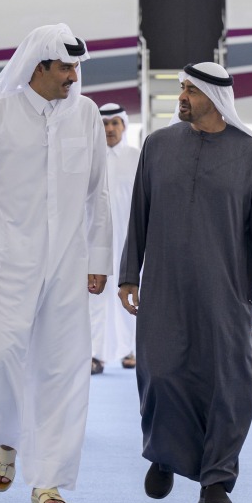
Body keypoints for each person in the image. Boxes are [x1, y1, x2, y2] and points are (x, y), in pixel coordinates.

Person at [0, 23, 111, 503]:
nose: (73, 76)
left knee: (63, 369)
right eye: (65, 67)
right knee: (1, 357)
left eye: (76, 67)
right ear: (39, 67)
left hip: (67, 264)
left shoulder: (86, 114)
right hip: (6, 261)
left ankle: (49, 480)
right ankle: (9, 434)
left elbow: (98, 193)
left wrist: (100, 258)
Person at [119, 61, 252, 503]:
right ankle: (164, 455)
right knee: (161, 374)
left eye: (191, 90)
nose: (182, 97)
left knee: (228, 382)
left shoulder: (250, 153)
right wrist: (130, 273)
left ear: (215, 98)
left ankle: (216, 480)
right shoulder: (157, 145)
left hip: (224, 289)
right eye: (182, 88)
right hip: (164, 285)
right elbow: (138, 214)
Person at [89, 102, 139, 375]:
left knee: (128, 292)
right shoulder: (89, 157)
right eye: (104, 124)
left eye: (114, 123)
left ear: (123, 126)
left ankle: (130, 349)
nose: (109, 129)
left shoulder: (136, 157)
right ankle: (95, 354)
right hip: (95, 240)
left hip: (128, 239)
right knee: (95, 297)